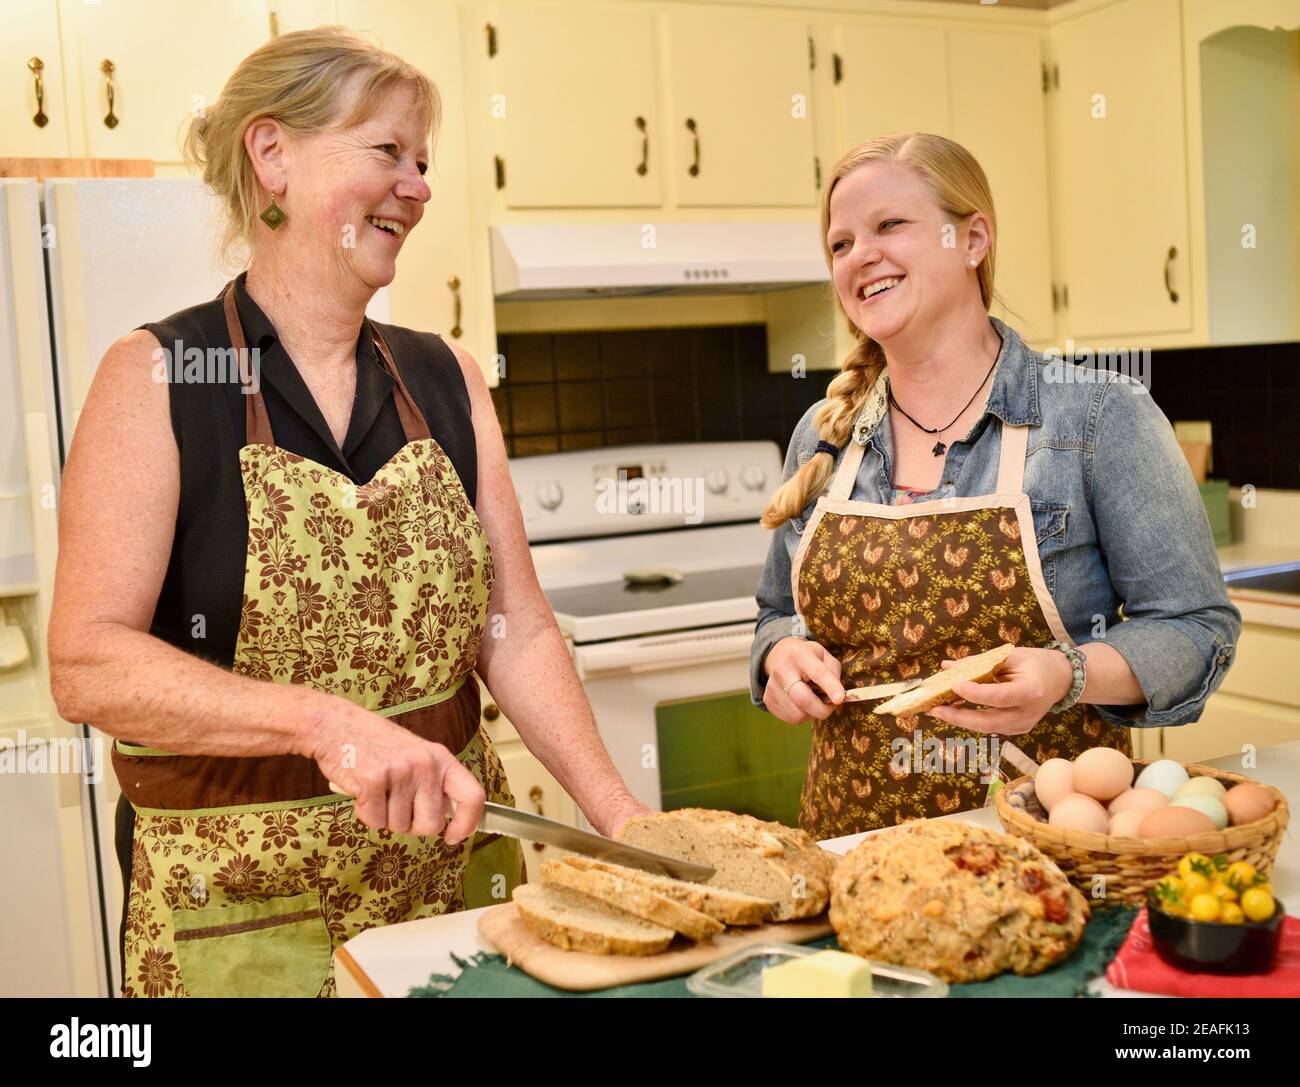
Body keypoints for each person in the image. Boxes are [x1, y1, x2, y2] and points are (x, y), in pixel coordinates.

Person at [47, 27, 647, 998]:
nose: (416, 185)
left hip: (456, 883)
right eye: (386, 152)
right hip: (243, 904)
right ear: (272, 153)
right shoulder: (159, 375)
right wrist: (326, 725)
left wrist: (616, 813)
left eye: (422, 161)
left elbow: (517, 627)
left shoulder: (442, 374)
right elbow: (86, 661)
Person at [750, 133, 1240, 840]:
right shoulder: (825, 434)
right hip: (857, 854)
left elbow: (1197, 627)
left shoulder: (1097, 416)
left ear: (973, 237)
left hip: (1049, 852)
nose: (860, 256)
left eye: (889, 226)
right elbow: (774, 613)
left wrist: (1066, 675)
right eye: (840, 244)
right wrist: (779, 656)